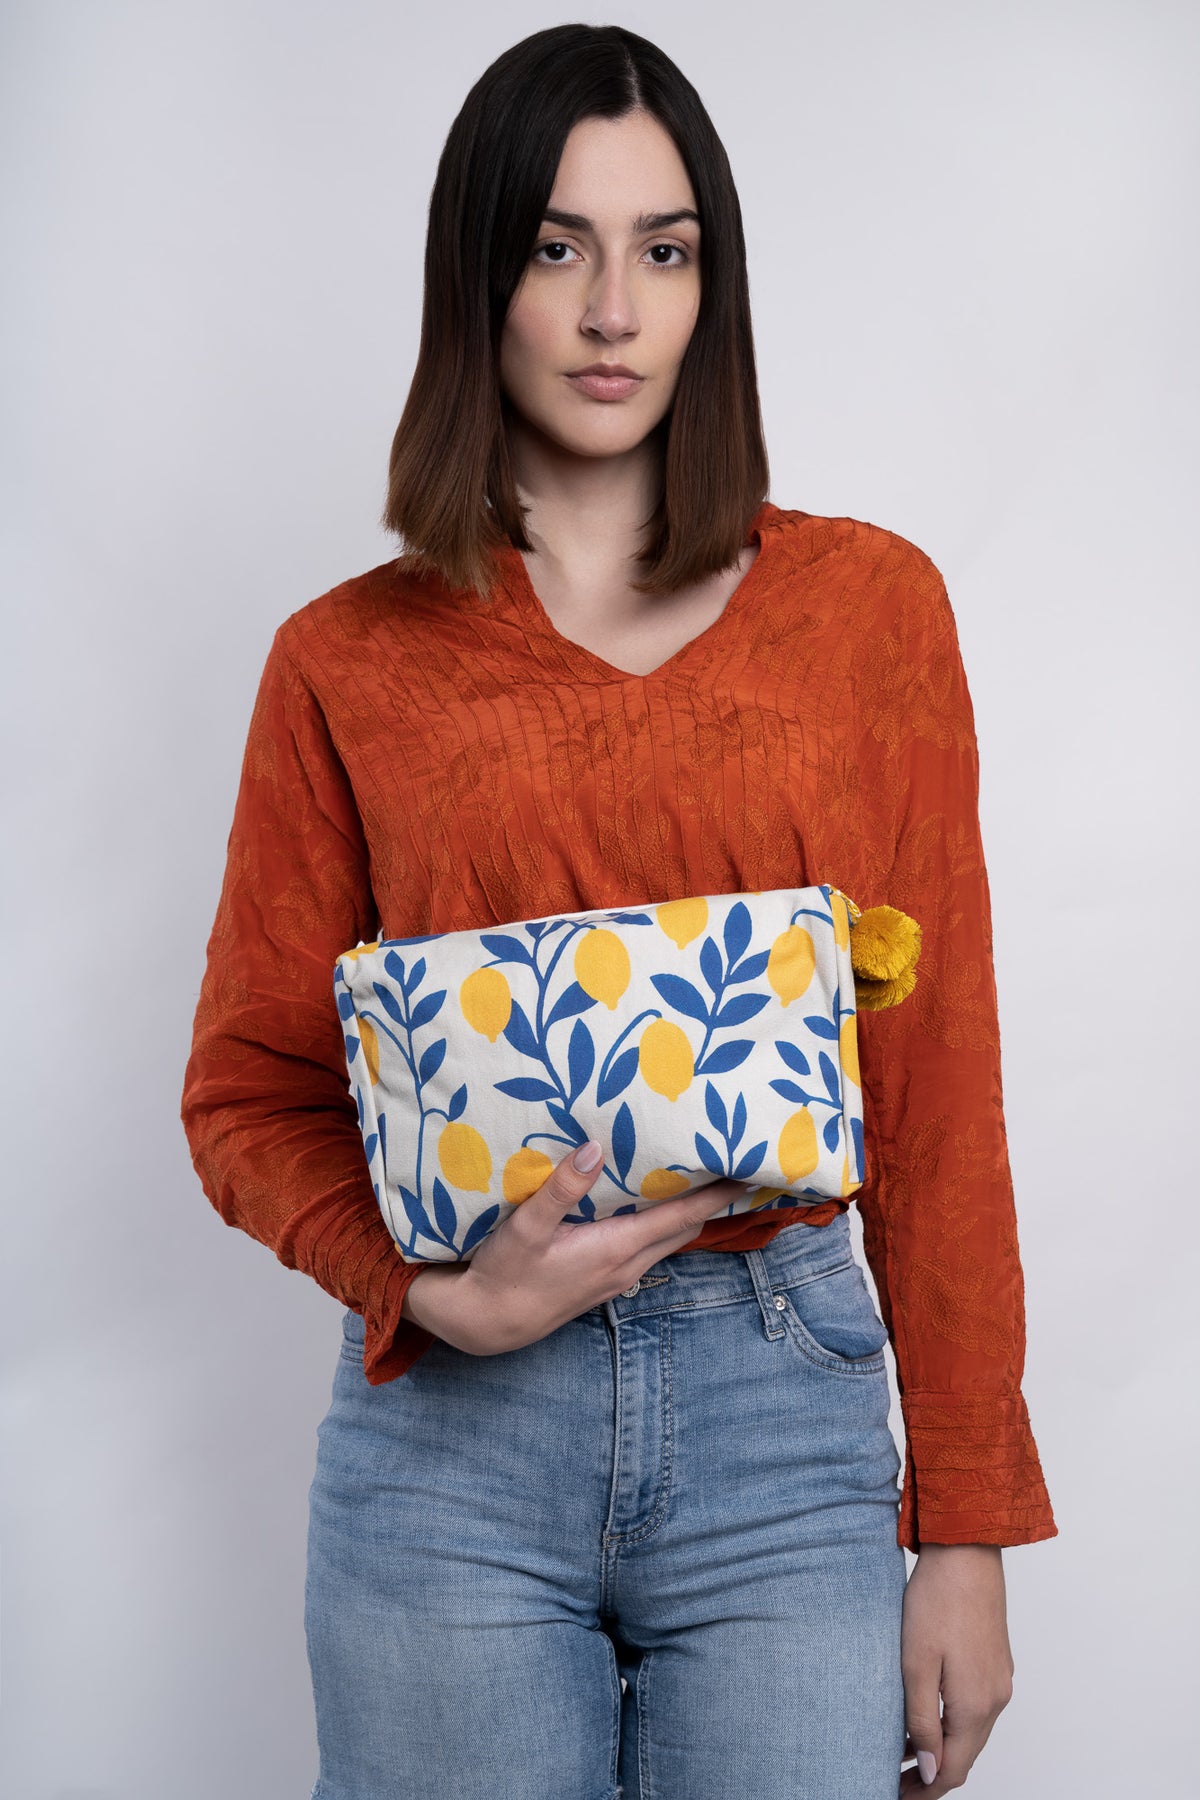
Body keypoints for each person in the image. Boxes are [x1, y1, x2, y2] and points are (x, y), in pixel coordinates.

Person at [180, 23, 1056, 1800]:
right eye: (555, 247)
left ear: (711, 289)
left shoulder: (868, 613)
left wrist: (963, 1523)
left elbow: (938, 1088)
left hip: (785, 1414)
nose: (611, 311)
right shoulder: (344, 662)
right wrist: (426, 1298)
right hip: (452, 1458)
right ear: (478, 281)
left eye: (664, 251)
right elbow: (246, 1092)